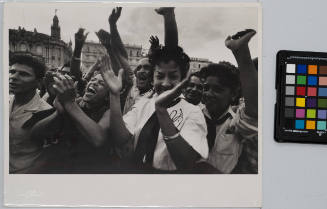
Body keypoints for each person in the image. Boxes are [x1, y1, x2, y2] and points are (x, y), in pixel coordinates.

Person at [102, 7, 208, 173]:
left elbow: (186, 163)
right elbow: (121, 140)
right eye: (160, 76)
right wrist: (114, 95)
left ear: (182, 78)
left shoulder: (193, 112)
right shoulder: (143, 104)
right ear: (153, 78)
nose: (165, 83)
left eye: (173, 76)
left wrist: (162, 111)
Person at [200, 29, 258, 174]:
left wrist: (241, 53)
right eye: (206, 88)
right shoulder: (192, 117)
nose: (209, 94)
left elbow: (253, 112)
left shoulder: (236, 125)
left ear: (233, 95)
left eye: (217, 89)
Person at [9, 53, 52, 173]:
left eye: (23, 74)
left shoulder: (45, 112)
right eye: (12, 72)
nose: (13, 77)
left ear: (39, 82)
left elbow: (47, 156)